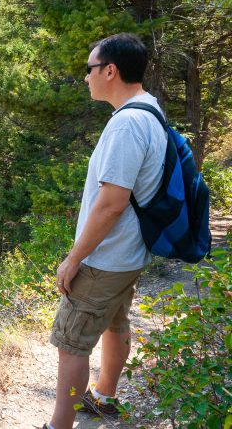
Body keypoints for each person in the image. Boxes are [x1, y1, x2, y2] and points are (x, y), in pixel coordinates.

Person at [43, 33, 167, 429]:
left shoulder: (127, 126)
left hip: (105, 258)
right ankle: (105, 397)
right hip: (128, 254)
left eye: (90, 69)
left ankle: (59, 425)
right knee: (116, 323)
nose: (86, 78)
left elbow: (112, 203)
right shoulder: (149, 110)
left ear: (110, 71)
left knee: (71, 344)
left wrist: (75, 257)